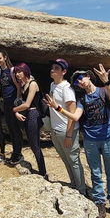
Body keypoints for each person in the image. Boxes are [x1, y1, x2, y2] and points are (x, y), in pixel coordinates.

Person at [44, 65, 110, 218]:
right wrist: (58, 108)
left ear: (89, 76)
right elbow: (75, 116)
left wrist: (107, 81)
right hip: (90, 139)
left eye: (82, 77)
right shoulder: (82, 100)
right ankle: (100, 204)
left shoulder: (103, 91)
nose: (80, 82)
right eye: (77, 81)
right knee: (96, 173)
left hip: (109, 137)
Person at [47, 58, 86, 194]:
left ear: (64, 72)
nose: (53, 70)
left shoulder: (66, 88)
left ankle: (82, 190)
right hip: (56, 129)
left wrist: (69, 135)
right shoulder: (53, 85)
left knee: (74, 161)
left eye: (57, 68)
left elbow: (72, 112)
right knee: (65, 159)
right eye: (52, 67)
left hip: (67, 130)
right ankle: (74, 184)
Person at [12, 63, 47, 179]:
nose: (17, 74)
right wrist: (17, 112)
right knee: (33, 144)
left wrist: (14, 110)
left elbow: (27, 104)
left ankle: (43, 173)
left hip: (33, 114)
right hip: (27, 115)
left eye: (19, 71)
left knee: (35, 145)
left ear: (26, 71)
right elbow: (19, 100)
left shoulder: (33, 84)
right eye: (16, 72)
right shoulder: (24, 84)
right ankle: (42, 171)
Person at [0, 50, 23, 164]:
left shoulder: (12, 70)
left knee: (16, 128)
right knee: (11, 128)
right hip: (6, 102)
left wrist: (17, 102)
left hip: (13, 103)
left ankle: (18, 153)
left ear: (5, 57)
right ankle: (15, 152)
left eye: (0, 58)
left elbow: (18, 86)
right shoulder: (0, 72)